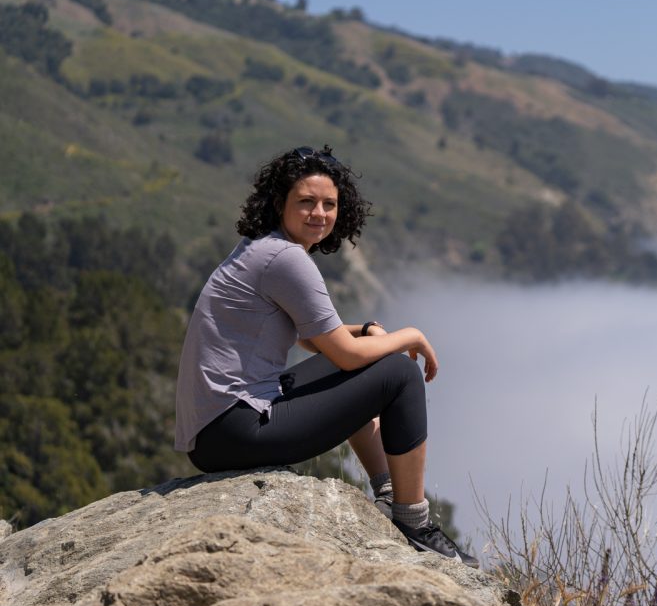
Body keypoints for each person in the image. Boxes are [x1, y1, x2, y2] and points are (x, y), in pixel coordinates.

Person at [174, 145, 477, 567]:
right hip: (236, 429)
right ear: (280, 203)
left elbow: (317, 338)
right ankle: (414, 521)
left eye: (329, 204)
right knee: (397, 373)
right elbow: (348, 355)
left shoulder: (263, 248)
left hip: (216, 433)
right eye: (306, 202)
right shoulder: (285, 259)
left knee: (371, 360)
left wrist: (368, 330)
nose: (319, 213)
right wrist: (411, 335)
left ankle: (389, 492)